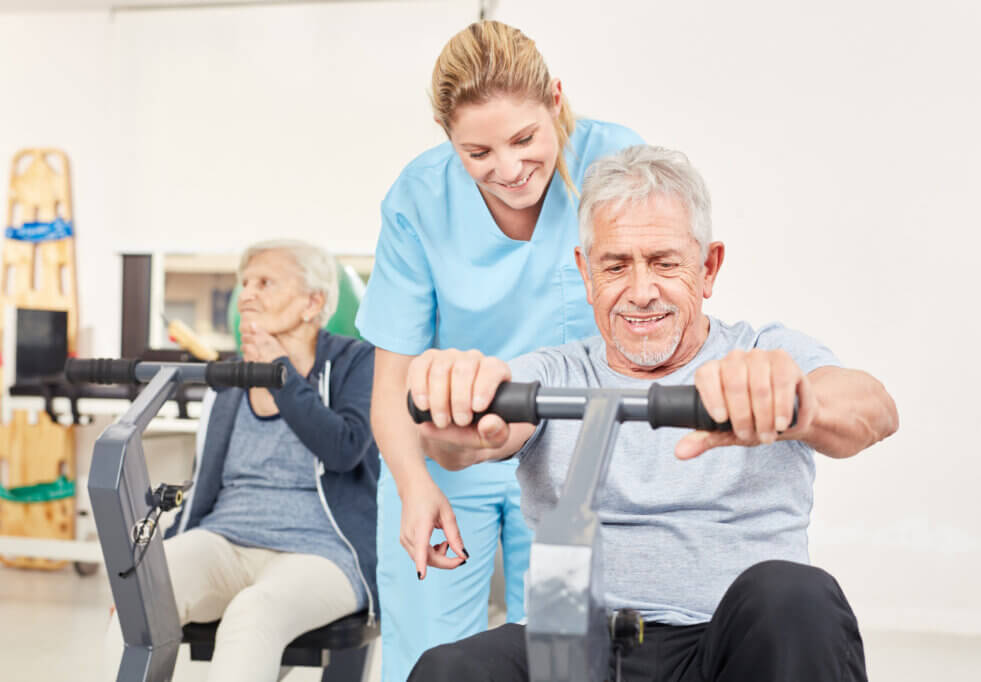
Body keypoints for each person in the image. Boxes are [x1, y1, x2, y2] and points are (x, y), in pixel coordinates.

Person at [404, 145, 900, 682]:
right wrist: (454, 408)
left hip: (726, 648)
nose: (641, 293)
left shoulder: (763, 355)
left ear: (708, 267)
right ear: (586, 273)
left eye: (665, 264)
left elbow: (874, 410)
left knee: (795, 598)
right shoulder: (554, 373)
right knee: (449, 670)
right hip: (575, 648)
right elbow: (463, 440)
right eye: (616, 266)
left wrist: (798, 404)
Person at [354, 20, 644, 681]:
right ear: (447, 137)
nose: (508, 170)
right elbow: (391, 384)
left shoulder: (617, 165)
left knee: (564, 660)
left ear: (556, 100)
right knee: (426, 658)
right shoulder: (419, 198)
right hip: (449, 454)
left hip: (577, 459)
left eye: (524, 138)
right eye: (477, 152)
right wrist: (414, 484)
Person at [101, 240, 379, 682]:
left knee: (254, 610)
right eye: (244, 282)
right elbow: (203, 488)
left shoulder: (355, 362)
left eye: (265, 282)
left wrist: (280, 370)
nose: (247, 293)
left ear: (313, 302)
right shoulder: (229, 377)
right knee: (143, 590)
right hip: (226, 540)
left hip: (324, 553)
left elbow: (344, 449)